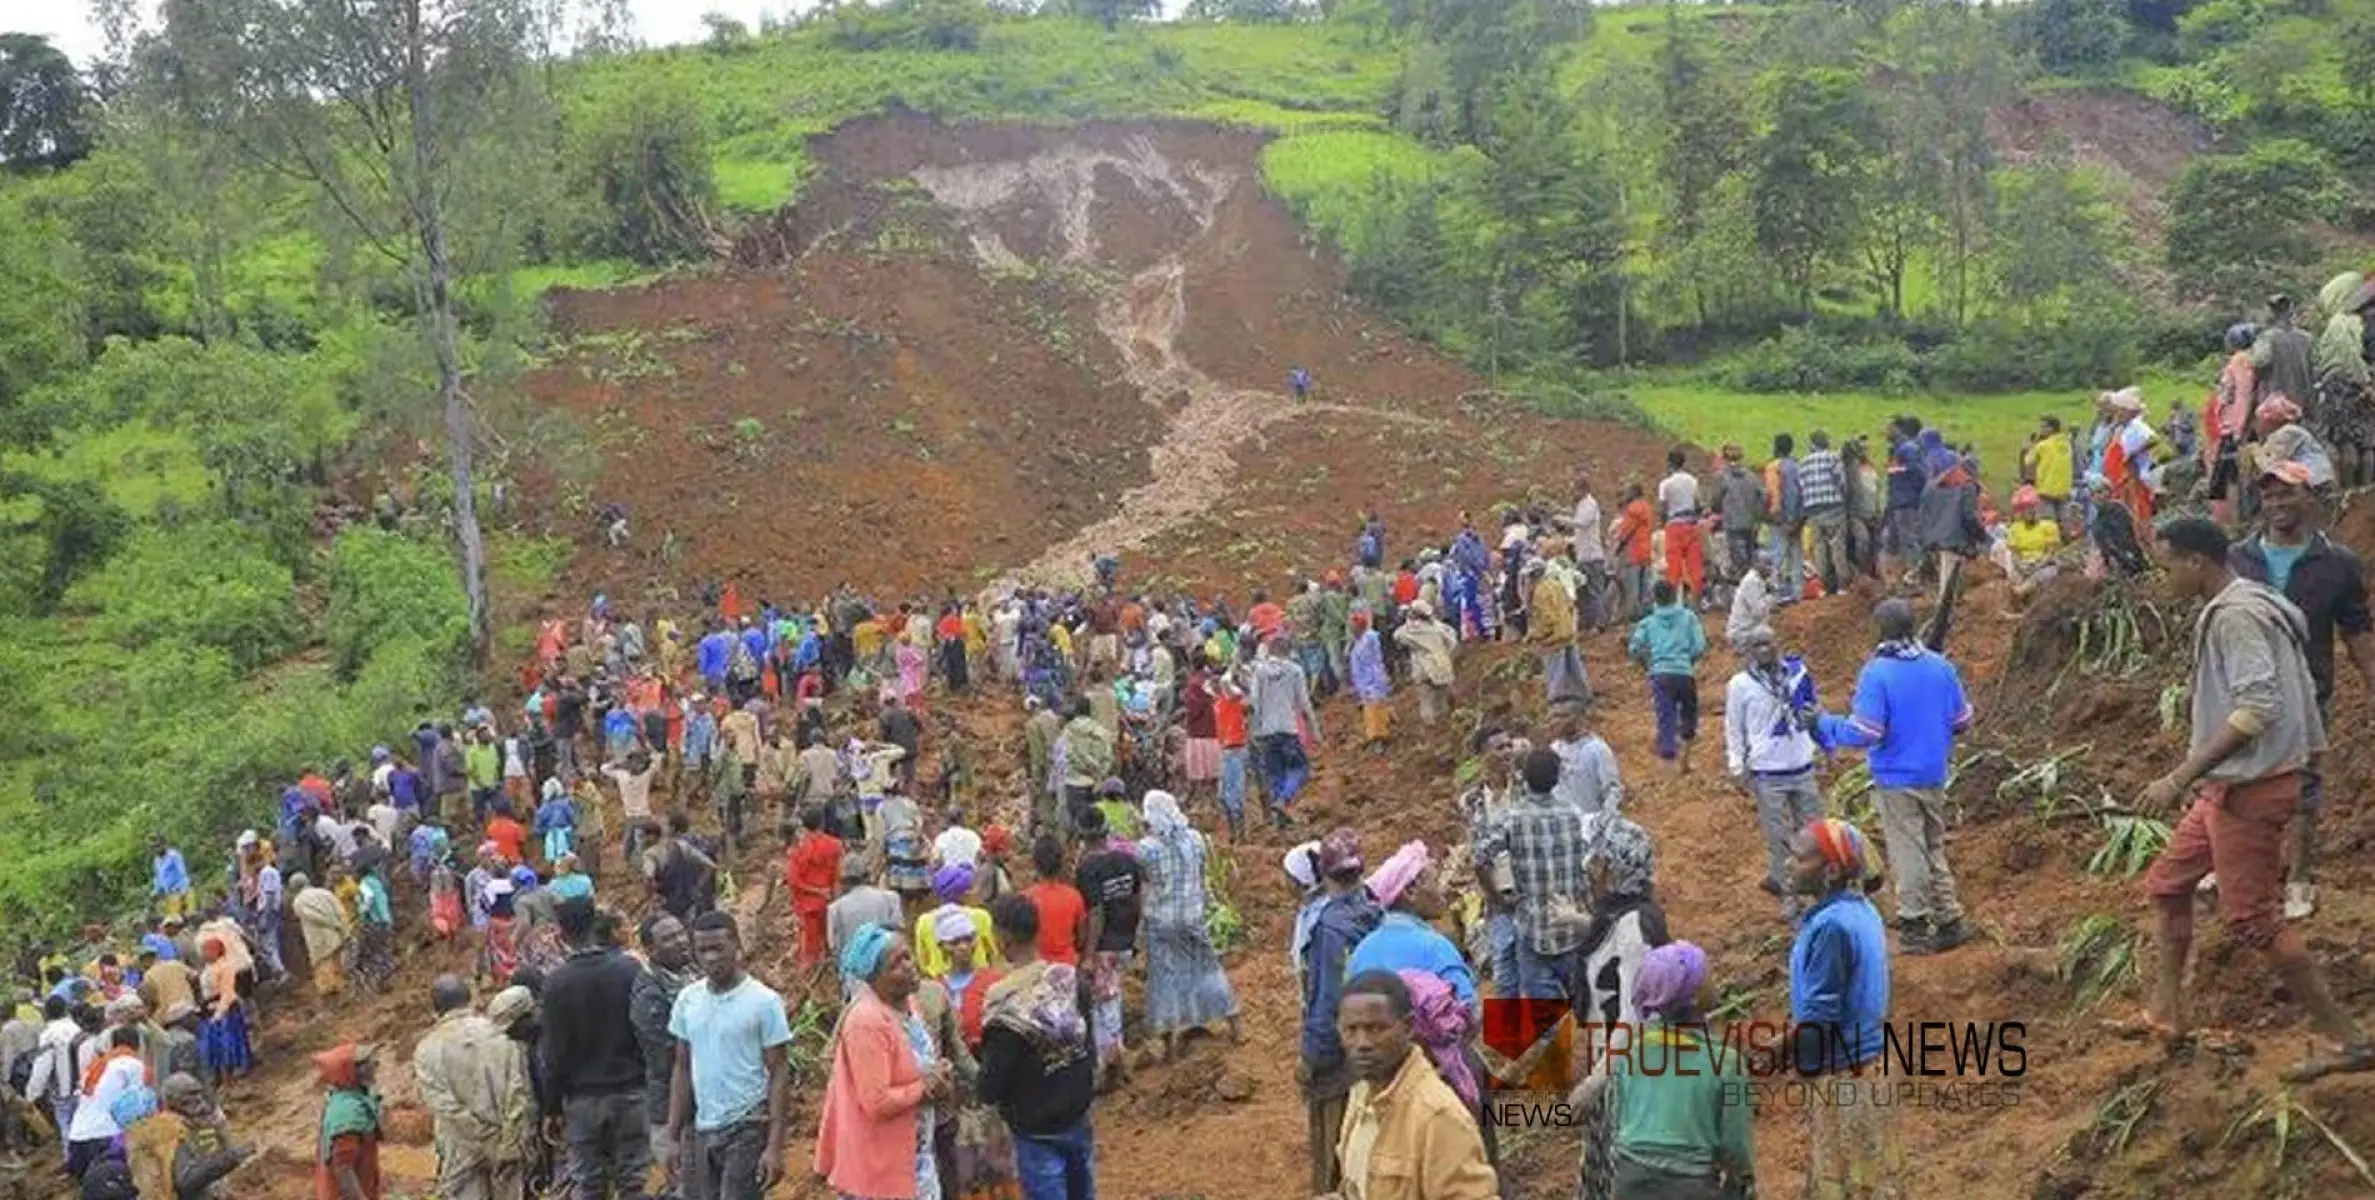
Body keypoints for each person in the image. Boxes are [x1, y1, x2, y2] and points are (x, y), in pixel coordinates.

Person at [2139, 518, 2375, 1082]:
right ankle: (2165, 1013)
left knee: (2252, 920)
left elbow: (2256, 707)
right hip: (2232, 784)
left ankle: (2350, 1041)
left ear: (2198, 562)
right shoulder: (2247, 600)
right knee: (2167, 885)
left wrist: (2179, 776)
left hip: (2250, 787)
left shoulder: (2238, 617)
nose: (2164, 576)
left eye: (2169, 564)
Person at [2230, 455, 2375, 920]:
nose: (2278, 503)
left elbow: (2356, 631)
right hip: (2245, 687)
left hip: (2308, 689)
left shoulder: (2337, 564)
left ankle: (2299, 875)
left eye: (2288, 492)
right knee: (2239, 774)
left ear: (2311, 497)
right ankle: (2246, 865)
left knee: (2304, 781)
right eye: (2269, 495)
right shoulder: (2238, 560)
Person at [1816, 599, 1977, 956]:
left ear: (1880, 631)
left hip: (1897, 775)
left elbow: (1865, 731)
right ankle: (1950, 918)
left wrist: (1825, 725)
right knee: (1933, 845)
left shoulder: (1878, 673)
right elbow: (1962, 720)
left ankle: (1915, 923)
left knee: (1909, 850)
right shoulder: (1941, 666)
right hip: (1934, 771)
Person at [1575, 942, 1754, 1200]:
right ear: (1693, 995)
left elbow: (1616, 1120)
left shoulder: (1632, 1054)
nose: (1714, 981)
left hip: (1629, 1181)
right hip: (1691, 1186)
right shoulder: (1725, 1063)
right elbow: (1736, 1146)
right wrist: (1744, 1181)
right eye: (1707, 976)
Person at [1788, 820, 1898, 1197]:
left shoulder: (1830, 928)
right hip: (1870, 1061)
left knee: (1845, 1181)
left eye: (1801, 858)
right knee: (1871, 1173)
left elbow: (1821, 1011)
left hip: (1844, 1070)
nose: (1790, 864)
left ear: (1830, 871)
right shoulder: (1861, 910)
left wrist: (1798, 1059)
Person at [1323, 971, 1498, 1200]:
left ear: (1408, 1027)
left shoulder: (1437, 1116)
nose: (1362, 1043)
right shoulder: (1361, 1095)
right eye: (1351, 1030)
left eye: (1376, 1029)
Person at [1570, 816, 1671, 1200]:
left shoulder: (1635, 928)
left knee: (1621, 1172)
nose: (1590, 867)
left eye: (1596, 860)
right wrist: (1580, 923)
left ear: (1613, 868)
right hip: (1614, 1061)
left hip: (1626, 1070)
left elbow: (1634, 1016)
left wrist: (1596, 1082)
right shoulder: (1624, 913)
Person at [977, 897, 1097, 1200]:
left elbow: (991, 1084)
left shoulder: (1003, 1007)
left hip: (1035, 1128)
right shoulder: (1070, 980)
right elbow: (1089, 1043)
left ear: (1002, 939)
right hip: (1077, 1112)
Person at [814, 924, 945, 1200]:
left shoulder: (910, 1006)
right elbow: (876, 1101)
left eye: (907, 956)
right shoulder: (867, 1022)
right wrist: (926, 1086)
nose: (909, 966)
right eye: (896, 964)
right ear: (874, 978)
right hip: (880, 1168)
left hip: (914, 1157)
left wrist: (939, 1075)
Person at [668, 912, 793, 1200]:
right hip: (703, 1126)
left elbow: (779, 1072)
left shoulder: (764, 1002)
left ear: (736, 945)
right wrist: (672, 1136)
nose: (711, 958)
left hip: (748, 1125)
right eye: (703, 950)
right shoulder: (688, 1000)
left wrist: (774, 1146)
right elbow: (682, 1066)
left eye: (718, 948)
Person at [540, 896, 652, 1199]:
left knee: (589, 1183)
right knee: (634, 1179)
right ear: (595, 925)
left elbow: (553, 1053)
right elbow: (647, 1030)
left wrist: (551, 1107)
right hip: (632, 1091)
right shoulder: (629, 970)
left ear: (561, 934)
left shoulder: (555, 983)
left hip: (583, 1101)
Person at [1299, 828, 1381, 1197]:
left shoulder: (1329, 928)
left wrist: (1311, 1058)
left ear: (1326, 874)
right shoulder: (1376, 910)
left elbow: (1327, 998)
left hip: (1343, 1051)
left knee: (1333, 1148)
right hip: (1381, 1040)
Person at [912, 908, 1015, 1200]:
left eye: (968, 939)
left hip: (986, 1072)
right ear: (942, 946)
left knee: (995, 1156)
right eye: (955, 941)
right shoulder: (932, 990)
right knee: (958, 1161)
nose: (963, 947)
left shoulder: (994, 982)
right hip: (949, 1088)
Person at [1725, 630, 1825, 921]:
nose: (1764, 649)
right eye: (1757, 645)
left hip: (1802, 766)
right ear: (1749, 651)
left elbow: (1814, 705)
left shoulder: (1797, 674)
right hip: (1768, 772)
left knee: (1814, 833)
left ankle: (1818, 891)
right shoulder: (1741, 685)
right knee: (1779, 839)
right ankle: (1790, 897)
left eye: (1769, 642)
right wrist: (1736, 766)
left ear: (1778, 644)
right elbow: (1734, 728)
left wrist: (1819, 735)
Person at [1134, 792, 1241, 1060]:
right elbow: (1201, 876)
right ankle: (1233, 1021)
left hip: (1162, 920)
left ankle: (1168, 1044)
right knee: (1207, 968)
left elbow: (1144, 886)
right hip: (1193, 915)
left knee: (1164, 977)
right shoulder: (1195, 840)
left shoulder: (1146, 849)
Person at [412, 975, 532, 1200]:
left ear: (435, 1008)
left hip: (462, 1151)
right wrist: (504, 1139)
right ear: (471, 999)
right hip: (507, 1144)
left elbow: (445, 1107)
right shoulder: (502, 1035)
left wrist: (482, 1138)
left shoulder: (427, 1050)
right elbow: (518, 1090)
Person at [1345, 842, 1475, 1013]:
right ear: (1411, 891)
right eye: (1435, 881)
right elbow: (1468, 1013)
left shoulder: (1360, 953)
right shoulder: (1435, 947)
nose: (1442, 890)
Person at [1071, 808, 1145, 1081]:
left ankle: (1110, 1061)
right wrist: (1136, 934)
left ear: (1082, 838)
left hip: (1103, 946)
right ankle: (1115, 1054)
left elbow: (1096, 913)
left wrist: (1088, 954)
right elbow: (1138, 898)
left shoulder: (1088, 869)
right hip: (1125, 939)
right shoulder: (1128, 860)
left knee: (1104, 1004)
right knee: (1112, 997)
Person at [629, 913, 695, 1188]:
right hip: (672, 1108)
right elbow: (664, 1057)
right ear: (650, 950)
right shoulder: (650, 996)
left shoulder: (692, 975)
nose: (681, 941)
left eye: (681, 933)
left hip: (703, 1102)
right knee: (686, 1185)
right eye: (669, 938)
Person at [124, 1072, 250, 1200]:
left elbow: (208, 1153)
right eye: (191, 1095)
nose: (199, 1099)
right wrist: (229, 1159)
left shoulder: (190, 1124)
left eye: (199, 1093)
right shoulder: (171, 1129)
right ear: (175, 1100)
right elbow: (186, 1181)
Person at [1629, 582, 1709, 774]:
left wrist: (1648, 665)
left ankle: (1668, 766)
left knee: (1666, 715)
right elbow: (1699, 646)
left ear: (1655, 599)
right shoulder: (1688, 617)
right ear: (1675, 596)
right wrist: (1688, 661)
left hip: (1660, 674)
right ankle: (1687, 760)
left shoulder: (1648, 622)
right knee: (1689, 714)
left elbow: (1634, 648)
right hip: (1684, 672)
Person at [1249, 636, 1319, 826]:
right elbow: (1303, 703)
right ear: (1288, 650)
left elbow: (1254, 703)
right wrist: (1314, 729)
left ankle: (1280, 820)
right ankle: (1284, 800)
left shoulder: (1260, 672)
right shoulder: (1295, 670)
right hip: (1288, 729)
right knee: (1300, 768)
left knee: (1275, 774)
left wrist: (1254, 730)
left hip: (1267, 732)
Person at [65, 1027, 144, 1179]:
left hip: (78, 1136)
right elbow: (137, 1106)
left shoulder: (95, 1065)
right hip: (108, 1136)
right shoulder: (133, 1065)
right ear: (138, 1044)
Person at [313, 1043, 383, 1200]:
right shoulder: (348, 1114)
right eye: (368, 1063)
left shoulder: (348, 1098)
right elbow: (344, 1168)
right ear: (352, 1072)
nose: (375, 1065)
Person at [1527, 558, 1589, 711]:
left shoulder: (1540, 592)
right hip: (1568, 631)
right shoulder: (1556, 584)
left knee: (1554, 670)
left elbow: (1547, 619)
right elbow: (1570, 605)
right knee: (1575, 667)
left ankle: (1556, 703)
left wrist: (1537, 634)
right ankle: (1583, 696)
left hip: (1554, 636)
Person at [786, 808, 844, 968]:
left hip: (808, 905)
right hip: (830, 901)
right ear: (822, 822)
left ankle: (805, 982)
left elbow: (793, 881)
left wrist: (817, 891)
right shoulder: (836, 845)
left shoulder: (798, 850)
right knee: (830, 943)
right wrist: (833, 897)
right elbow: (838, 877)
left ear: (804, 826)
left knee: (809, 950)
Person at [1022, 837, 1088, 969]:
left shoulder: (1026, 898)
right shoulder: (1074, 897)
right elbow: (1082, 938)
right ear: (1061, 864)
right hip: (1067, 967)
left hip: (1037, 968)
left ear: (1034, 863)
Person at [1799, 432, 1850, 595]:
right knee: (1837, 546)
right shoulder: (1833, 458)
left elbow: (1802, 487)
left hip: (1813, 509)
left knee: (1819, 548)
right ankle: (1842, 585)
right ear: (1826, 443)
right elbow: (1841, 481)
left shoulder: (1804, 463)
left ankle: (1823, 586)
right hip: (1833, 506)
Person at [1392, 602, 1457, 727]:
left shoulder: (1410, 630)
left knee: (1426, 700)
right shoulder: (1439, 628)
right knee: (1441, 699)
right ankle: (1444, 728)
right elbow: (1452, 641)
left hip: (1422, 668)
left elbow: (1397, 636)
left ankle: (1431, 728)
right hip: (1441, 666)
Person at [194, 938, 250, 1081]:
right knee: (213, 1047)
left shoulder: (225, 967)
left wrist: (219, 1013)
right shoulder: (207, 968)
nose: (204, 953)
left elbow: (227, 993)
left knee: (227, 1044)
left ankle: (231, 1075)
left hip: (225, 1010)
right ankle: (220, 1076)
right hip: (210, 1009)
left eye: (207, 950)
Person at [1657, 449, 1707, 604]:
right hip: (1691, 525)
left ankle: (1674, 599)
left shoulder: (1666, 484)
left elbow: (1663, 508)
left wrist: (1663, 525)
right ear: (1684, 463)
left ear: (1669, 464)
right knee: (1694, 564)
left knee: (1673, 565)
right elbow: (1699, 503)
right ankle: (1696, 600)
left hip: (1674, 525)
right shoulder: (1692, 480)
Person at [291, 872, 351, 998]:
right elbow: (341, 911)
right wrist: (344, 931)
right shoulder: (326, 893)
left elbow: (313, 917)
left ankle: (333, 1003)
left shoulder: (298, 902)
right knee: (339, 967)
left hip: (319, 942)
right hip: (336, 936)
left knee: (325, 975)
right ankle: (346, 996)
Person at [1765, 433, 1806, 601]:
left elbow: (1788, 493)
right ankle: (1798, 594)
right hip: (1799, 518)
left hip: (1781, 519)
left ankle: (1774, 595)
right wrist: (1799, 519)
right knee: (1797, 557)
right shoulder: (1798, 465)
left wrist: (1788, 518)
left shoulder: (1775, 467)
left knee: (1777, 556)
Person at [1347, 613, 1393, 751]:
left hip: (1373, 681)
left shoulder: (1369, 638)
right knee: (1372, 710)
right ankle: (1376, 736)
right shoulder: (1358, 642)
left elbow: (1375, 661)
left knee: (1374, 711)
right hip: (1365, 683)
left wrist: (1373, 684)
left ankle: (1378, 739)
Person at [2026, 416, 2075, 531]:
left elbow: (2028, 460)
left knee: (2048, 523)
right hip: (2065, 488)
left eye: (2043, 427)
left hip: (2046, 488)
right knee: (2064, 520)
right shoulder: (2067, 443)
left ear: (2051, 428)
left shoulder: (2043, 445)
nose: (2040, 430)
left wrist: (2033, 444)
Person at [1725, 548, 1773, 652]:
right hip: (1740, 634)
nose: (1770, 568)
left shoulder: (1758, 580)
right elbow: (1759, 612)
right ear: (1756, 564)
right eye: (1767, 564)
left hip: (1748, 630)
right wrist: (1769, 596)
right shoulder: (1751, 582)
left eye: (1771, 564)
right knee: (1768, 635)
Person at [151, 838, 192, 922]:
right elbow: (158, 878)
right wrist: (155, 891)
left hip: (179, 891)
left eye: (158, 846)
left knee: (185, 917)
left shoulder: (174, 856)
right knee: (172, 920)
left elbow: (182, 874)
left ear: (164, 845)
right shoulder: (157, 860)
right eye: (153, 847)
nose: (156, 849)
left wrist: (181, 891)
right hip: (168, 894)